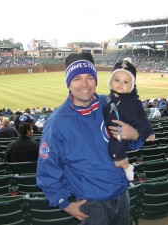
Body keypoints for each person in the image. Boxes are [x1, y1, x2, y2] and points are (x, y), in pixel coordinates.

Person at [36, 52, 142, 224]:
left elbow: (133, 142)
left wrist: (135, 135)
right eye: (77, 78)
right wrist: (63, 202)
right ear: (68, 83)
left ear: (96, 80)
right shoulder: (56, 123)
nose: (84, 84)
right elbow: (47, 169)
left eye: (89, 77)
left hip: (123, 194)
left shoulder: (111, 104)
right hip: (92, 204)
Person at [103, 60, 155, 181]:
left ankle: (127, 167)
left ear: (131, 86)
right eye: (116, 80)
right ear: (110, 81)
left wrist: (147, 133)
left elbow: (141, 118)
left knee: (117, 157)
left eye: (126, 81)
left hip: (119, 136)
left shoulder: (132, 103)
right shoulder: (105, 99)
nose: (120, 84)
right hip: (110, 135)